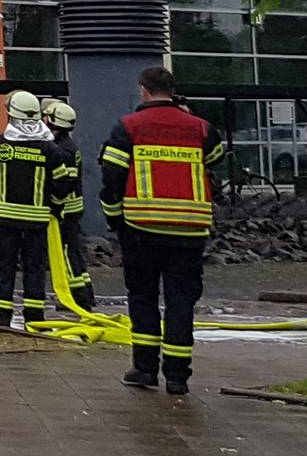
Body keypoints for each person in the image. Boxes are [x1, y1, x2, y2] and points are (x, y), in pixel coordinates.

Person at [98, 66, 227, 395]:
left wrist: (114, 217)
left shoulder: (128, 126)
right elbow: (216, 157)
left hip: (141, 226)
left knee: (143, 296)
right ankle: (178, 376)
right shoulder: (200, 127)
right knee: (181, 298)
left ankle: (144, 368)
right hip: (189, 227)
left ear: (143, 89)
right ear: (172, 90)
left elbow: (112, 175)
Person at [0, 90, 74, 328]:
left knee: (5, 267)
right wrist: (55, 208)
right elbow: (63, 184)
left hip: (4, 219)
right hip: (37, 221)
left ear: (11, 115)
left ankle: (1, 317)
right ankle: (35, 318)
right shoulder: (50, 150)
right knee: (35, 268)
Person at [43, 97, 94, 310]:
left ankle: (77, 298)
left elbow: (65, 183)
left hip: (66, 210)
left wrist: (54, 203)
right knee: (73, 250)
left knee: (66, 253)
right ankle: (85, 292)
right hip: (73, 208)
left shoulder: (63, 150)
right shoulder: (66, 145)